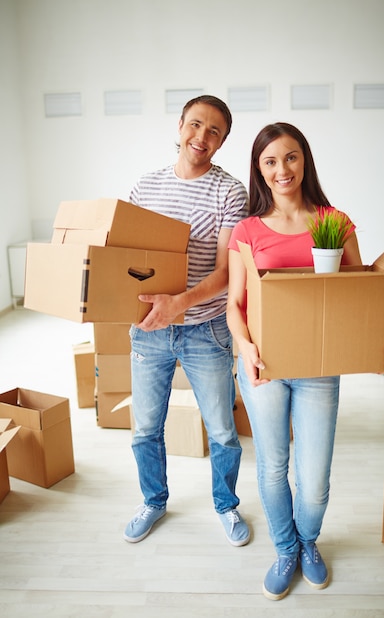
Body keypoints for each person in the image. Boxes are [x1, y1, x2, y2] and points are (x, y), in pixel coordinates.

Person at [226, 122, 384, 600]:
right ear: (259, 170)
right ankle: (285, 549)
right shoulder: (247, 230)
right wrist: (246, 347)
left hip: (318, 369)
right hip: (265, 366)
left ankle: (308, 541)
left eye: (292, 157)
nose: (283, 169)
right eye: (271, 161)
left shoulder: (334, 221)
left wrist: (378, 334)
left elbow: (359, 292)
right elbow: (233, 303)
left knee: (314, 477)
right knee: (273, 465)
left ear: (306, 160)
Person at [124, 95, 250, 548]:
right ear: (179, 126)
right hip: (149, 328)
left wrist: (179, 303)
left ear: (222, 141)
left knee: (221, 428)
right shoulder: (145, 186)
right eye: (195, 124)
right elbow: (128, 258)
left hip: (206, 328)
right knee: (144, 427)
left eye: (214, 131)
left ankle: (226, 505)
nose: (201, 137)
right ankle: (153, 501)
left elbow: (224, 272)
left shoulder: (229, 192)